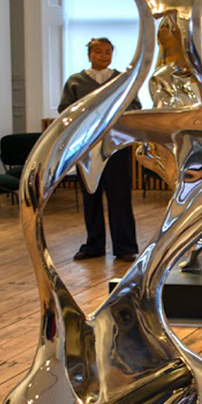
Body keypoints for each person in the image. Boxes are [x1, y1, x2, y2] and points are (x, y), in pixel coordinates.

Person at [58, 37, 140, 262]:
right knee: (91, 196)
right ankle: (93, 246)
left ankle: (125, 247)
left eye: (107, 52)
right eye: (98, 51)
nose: (103, 56)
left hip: (116, 146)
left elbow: (135, 106)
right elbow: (65, 110)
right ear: (89, 55)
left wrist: (113, 114)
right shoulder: (75, 81)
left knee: (120, 197)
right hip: (87, 147)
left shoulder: (122, 79)